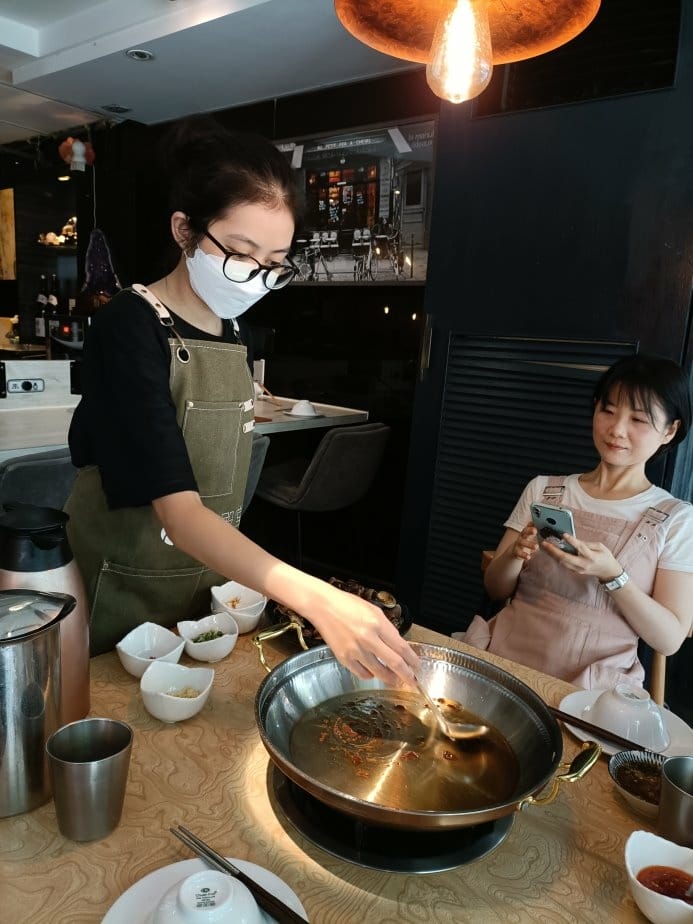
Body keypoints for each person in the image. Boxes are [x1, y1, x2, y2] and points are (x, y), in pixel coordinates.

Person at [65, 116, 419, 686]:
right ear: (185, 231)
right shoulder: (129, 326)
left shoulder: (236, 333)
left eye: (274, 262)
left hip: (203, 589)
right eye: (240, 251)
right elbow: (180, 516)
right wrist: (318, 598)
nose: (256, 276)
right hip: (121, 592)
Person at [463, 354, 693, 690]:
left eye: (639, 420)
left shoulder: (675, 518)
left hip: (592, 689)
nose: (616, 429)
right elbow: (496, 588)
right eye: (608, 410)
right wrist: (515, 554)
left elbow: (669, 639)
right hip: (506, 662)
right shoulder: (544, 489)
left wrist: (613, 576)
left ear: (669, 430)